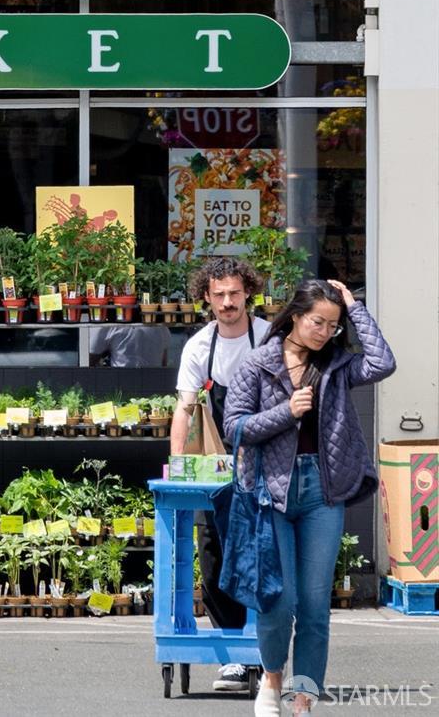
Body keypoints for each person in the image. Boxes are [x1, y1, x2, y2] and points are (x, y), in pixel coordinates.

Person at [223, 280, 396, 717]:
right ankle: (271, 680)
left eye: (332, 326)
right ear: (296, 316)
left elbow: (383, 362)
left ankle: (304, 696)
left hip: (322, 490)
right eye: (317, 321)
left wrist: (354, 309)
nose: (323, 332)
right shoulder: (256, 365)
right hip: (272, 493)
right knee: (279, 602)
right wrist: (287, 412)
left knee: (316, 605)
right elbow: (235, 429)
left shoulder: (337, 365)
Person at [170, 256, 271, 693]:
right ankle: (232, 652)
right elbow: (185, 407)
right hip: (218, 454)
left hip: (268, 450)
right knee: (213, 544)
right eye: (218, 295)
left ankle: (266, 652)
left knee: (264, 546)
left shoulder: (269, 337)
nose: (227, 302)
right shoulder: (199, 346)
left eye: (234, 292)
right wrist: (178, 464)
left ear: (248, 291)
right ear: (206, 297)